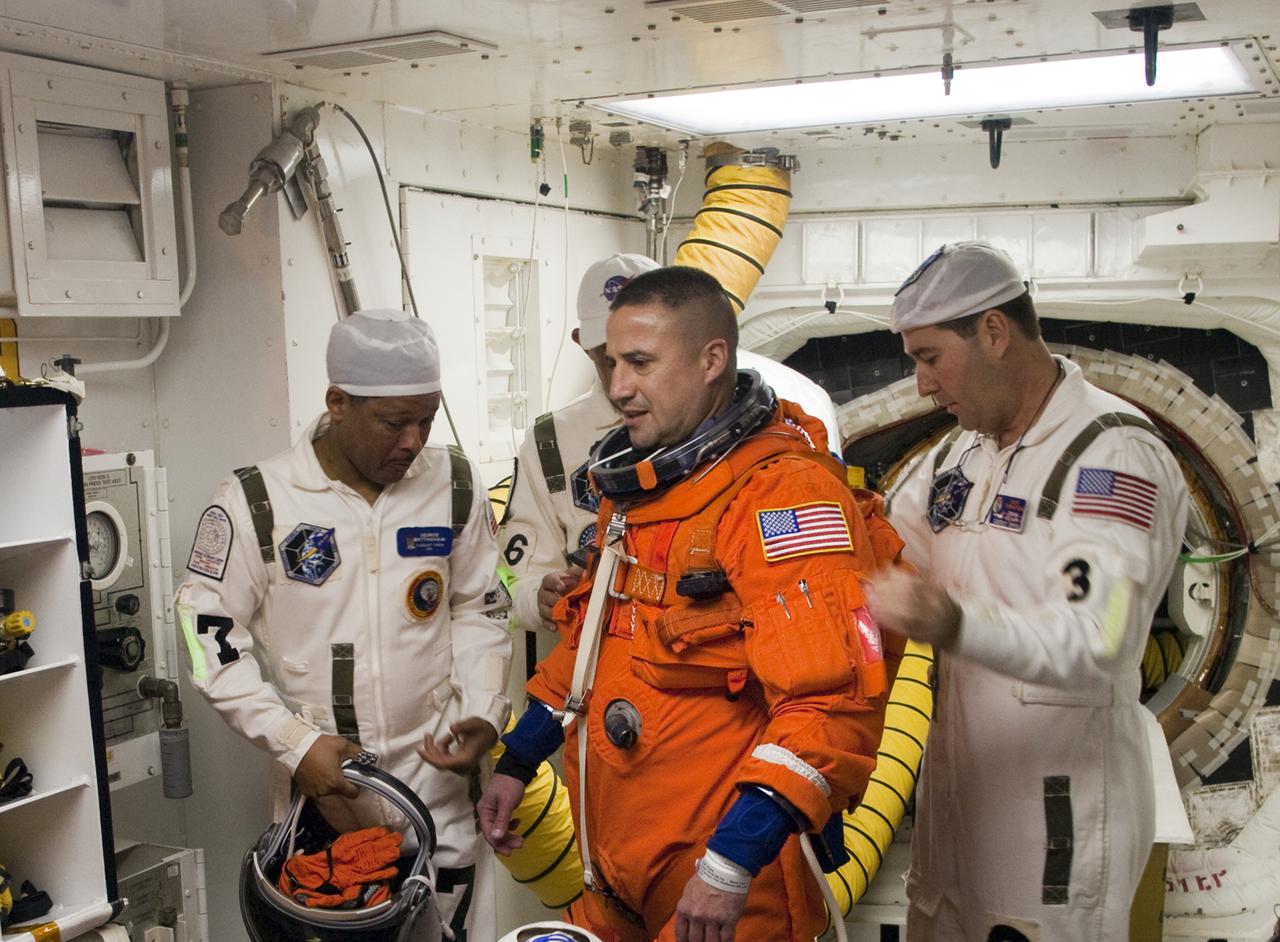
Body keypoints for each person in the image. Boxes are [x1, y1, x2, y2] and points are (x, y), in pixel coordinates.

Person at [478, 266, 896, 942]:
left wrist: (731, 864)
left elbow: (830, 705)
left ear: (711, 361)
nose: (616, 388)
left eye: (639, 363)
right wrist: (519, 759)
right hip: (618, 867)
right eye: (612, 362)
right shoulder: (639, 491)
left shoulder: (782, 498)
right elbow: (594, 644)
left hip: (727, 884)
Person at [866, 242, 1190, 941]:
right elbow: (883, 555)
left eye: (929, 358)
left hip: (1056, 815)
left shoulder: (1110, 454)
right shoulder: (961, 453)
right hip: (960, 799)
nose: (922, 384)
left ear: (992, 331)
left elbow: (1098, 640)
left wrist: (955, 624)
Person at [173, 310, 513, 942]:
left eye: (426, 419)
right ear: (337, 403)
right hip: (328, 790)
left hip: (438, 778)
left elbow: (480, 607)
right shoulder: (258, 501)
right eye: (393, 421)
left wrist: (484, 708)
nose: (413, 441)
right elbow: (204, 636)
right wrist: (292, 743)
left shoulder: (453, 483)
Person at [501, 253, 659, 634]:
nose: (626, 380)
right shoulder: (550, 443)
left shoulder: (722, 429)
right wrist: (538, 595)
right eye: (610, 359)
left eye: (643, 358)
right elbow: (512, 581)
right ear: (582, 344)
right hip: (596, 671)